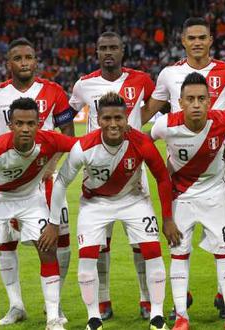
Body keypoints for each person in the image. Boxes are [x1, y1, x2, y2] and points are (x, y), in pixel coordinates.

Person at [144, 15, 225, 319]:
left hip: (220, 161)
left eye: (201, 37)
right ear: (183, 41)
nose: (196, 42)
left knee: (223, 236)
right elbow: (149, 115)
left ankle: (224, 299)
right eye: (191, 38)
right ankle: (183, 303)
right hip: (181, 171)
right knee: (182, 242)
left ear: (210, 40)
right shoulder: (169, 74)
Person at [51, 92, 173, 330]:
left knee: (152, 251)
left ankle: (157, 317)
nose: (113, 123)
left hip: (134, 200)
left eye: (119, 117)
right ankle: (93, 318)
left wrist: (167, 218)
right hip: (95, 204)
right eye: (107, 118)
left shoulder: (141, 142)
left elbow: (162, 177)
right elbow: (62, 181)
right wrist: (54, 222)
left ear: (127, 118)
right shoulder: (84, 146)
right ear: (98, 120)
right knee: (87, 258)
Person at [0, 37, 75, 325]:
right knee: (6, 243)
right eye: (18, 58)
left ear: (36, 61)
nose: (24, 62)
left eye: (29, 57)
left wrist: (53, 166)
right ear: (9, 63)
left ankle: (54, 307)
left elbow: (68, 134)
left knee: (57, 242)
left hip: (45, 178)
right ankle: (16, 305)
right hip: (7, 181)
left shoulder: (54, 91)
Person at [69, 31, 157, 320]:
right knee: (100, 244)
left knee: (141, 243)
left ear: (123, 50)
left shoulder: (142, 80)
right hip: (98, 171)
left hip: (133, 170)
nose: (109, 52)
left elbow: (159, 106)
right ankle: (103, 301)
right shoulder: (84, 85)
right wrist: (73, 147)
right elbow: (65, 115)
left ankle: (147, 300)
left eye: (114, 47)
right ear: (96, 52)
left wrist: (141, 134)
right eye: (103, 48)